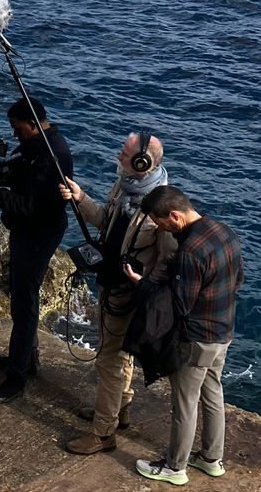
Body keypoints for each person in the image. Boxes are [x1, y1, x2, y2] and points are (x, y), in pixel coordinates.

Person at [58, 133, 178, 454]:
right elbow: (104, 221)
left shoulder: (160, 208)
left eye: (124, 155)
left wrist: (145, 285)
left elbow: (170, 261)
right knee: (119, 356)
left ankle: (102, 433)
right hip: (109, 286)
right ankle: (118, 410)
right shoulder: (125, 188)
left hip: (128, 297)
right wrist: (81, 199)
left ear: (143, 163)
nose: (118, 157)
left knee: (109, 362)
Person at [124, 185, 243, 486]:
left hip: (197, 339)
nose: (160, 228)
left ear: (175, 216)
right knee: (213, 394)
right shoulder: (224, 230)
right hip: (223, 331)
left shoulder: (190, 251)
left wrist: (142, 284)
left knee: (184, 404)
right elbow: (238, 279)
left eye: (161, 223)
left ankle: (175, 468)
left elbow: (178, 304)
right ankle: (211, 459)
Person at [0, 96, 73, 403]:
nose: (14, 134)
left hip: (37, 233)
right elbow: (19, 174)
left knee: (24, 305)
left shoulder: (52, 157)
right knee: (22, 298)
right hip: (31, 230)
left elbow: (26, 206)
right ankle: (26, 359)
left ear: (34, 125)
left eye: (17, 128)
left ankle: (17, 377)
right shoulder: (41, 146)